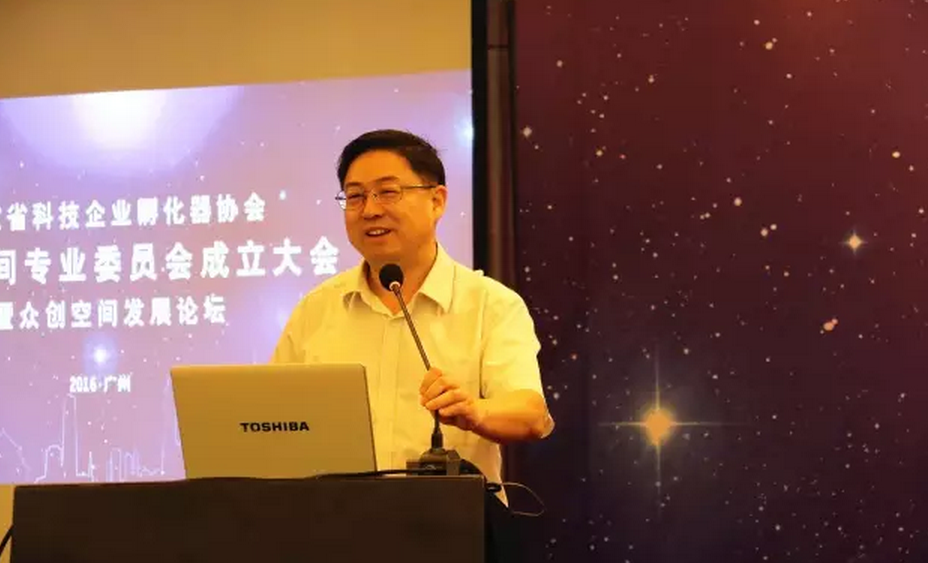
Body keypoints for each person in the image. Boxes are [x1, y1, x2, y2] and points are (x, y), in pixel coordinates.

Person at [271, 129, 553, 486]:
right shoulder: (316, 310)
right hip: (334, 517)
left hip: (448, 519)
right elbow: (273, 419)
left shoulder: (491, 305)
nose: (371, 210)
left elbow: (532, 415)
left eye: (388, 192)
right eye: (355, 196)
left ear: (437, 201)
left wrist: (475, 411)